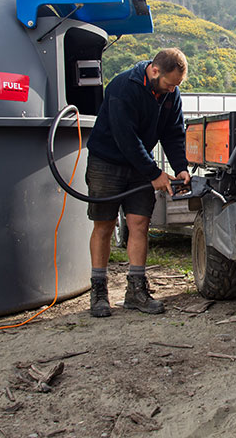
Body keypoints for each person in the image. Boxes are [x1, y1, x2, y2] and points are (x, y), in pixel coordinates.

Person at [85, 48, 191, 317]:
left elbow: (173, 133)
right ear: (155, 71)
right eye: (169, 83)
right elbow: (126, 138)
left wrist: (180, 168)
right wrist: (154, 173)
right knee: (104, 225)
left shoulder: (170, 94)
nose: (171, 89)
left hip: (139, 165)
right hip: (107, 161)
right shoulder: (123, 87)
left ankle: (136, 292)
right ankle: (99, 292)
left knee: (139, 223)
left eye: (176, 85)